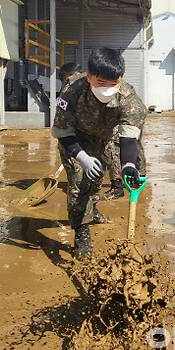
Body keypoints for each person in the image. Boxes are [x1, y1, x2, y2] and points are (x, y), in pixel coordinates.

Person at [52, 48, 147, 257]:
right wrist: (82, 157)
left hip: (105, 137)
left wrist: (129, 165)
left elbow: (129, 138)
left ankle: (91, 210)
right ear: (89, 76)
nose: (106, 89)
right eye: (100, 83)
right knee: (79, 182)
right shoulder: (71, 92)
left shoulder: (129, 99)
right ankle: (81, 233)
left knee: (96, 181)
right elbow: (62, 131)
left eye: (112, 84)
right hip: (75, 138)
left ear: (120, 78)